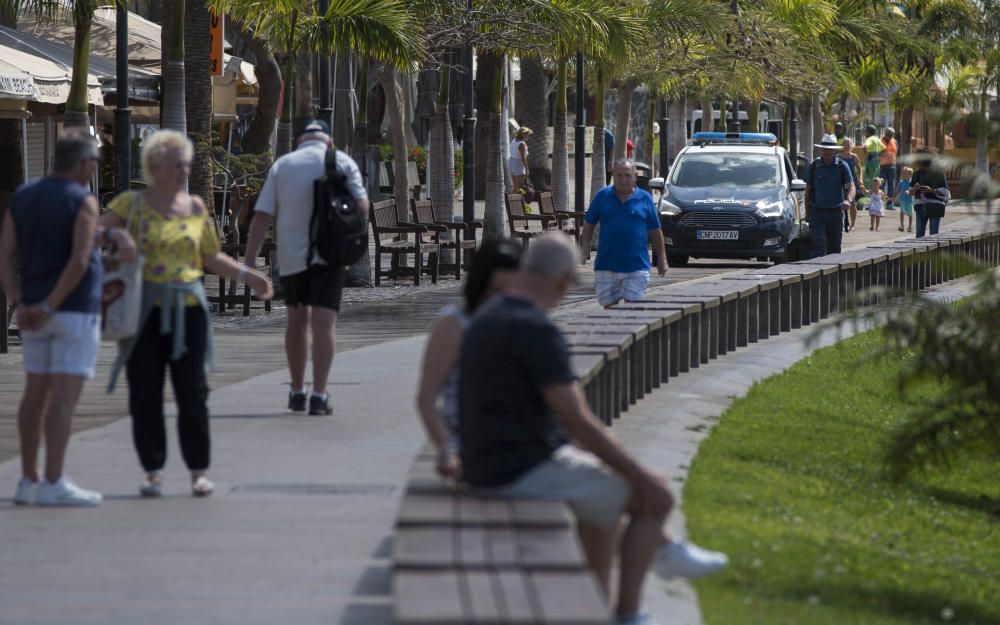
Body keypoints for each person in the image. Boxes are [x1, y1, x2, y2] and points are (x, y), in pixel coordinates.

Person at [458, 232, 727, 625]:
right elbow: (576, 418)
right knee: (655, 496)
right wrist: (638, 474)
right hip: (517, 469)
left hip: (490, 459)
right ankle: (631, 611)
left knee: (608, 497)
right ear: (564, 281)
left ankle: (644, 570)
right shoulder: (535, 328)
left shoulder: (489, 317)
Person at [101, 130, 273, 498]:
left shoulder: (195, 207)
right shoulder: (130, 204)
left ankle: (198, 470)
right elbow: (94, 232)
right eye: (177, 165)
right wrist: (119, 238)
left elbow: (210, 258)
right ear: (156, 166)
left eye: (187, 165)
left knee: (192, 391)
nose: (184, 172)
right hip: (143, 311)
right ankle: (153, 470)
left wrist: (248, 276)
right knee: (145, 393)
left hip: (189, 310)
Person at [0, 131, 133, 506]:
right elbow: (78, 260)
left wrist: (23, 303)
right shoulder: (83, 201)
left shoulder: (23, 195)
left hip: (33, 311)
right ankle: (54, 481)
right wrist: (50, 305)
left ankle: (28, 479)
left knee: (34, 394)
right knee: (63, 398)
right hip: (73, 312)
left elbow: (4, 256)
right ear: (86, 163)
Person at [244, 120, 369, 415]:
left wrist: (250, 260)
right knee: (324, 324)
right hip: (330, 254)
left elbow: (262, 215)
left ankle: (297, 391)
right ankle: (319, 395)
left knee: (296, 322)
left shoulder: (283, 165)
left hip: (292, 257)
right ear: (328, 139)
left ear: (301, 139)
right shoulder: (342, 161)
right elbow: (363, 207)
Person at [415, 239, 522, 480]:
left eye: (510, 292)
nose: (500, 301)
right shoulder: (454, 325)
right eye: (495, 291)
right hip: (473, 446)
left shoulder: (521, 320)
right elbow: (426, 400)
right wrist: (446, 449)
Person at [580, 159, 668, 307]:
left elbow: (655, 229)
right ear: (613, 175)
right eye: (619, 175)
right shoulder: (602, 196)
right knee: (610, 311)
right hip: (606, 264)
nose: (623, 179)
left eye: (627, 175)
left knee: (631, 310)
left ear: (635, 176)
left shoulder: (645, 198)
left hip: (637, 265)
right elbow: (589, 224)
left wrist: (662, 259)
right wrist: (584, 250)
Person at [805, 134, 856, 258]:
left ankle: (832, 277)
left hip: (835, 214)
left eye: (830, 150)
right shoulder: (814, 166)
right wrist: (807, 213)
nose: (827, 153)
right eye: (825, 150)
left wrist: (848, 201)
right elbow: (807, 191)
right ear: (821, 150)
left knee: (834, 250)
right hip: (817, 213)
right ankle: (814, 274)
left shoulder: (841, 166)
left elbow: (852, 187)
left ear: (834, 151)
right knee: (819, 246)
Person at [911, 150, 950, 238]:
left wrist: (932, 190)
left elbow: (946, 193)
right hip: (920, 205)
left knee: (933, 235)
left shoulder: (938, 173)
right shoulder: (917, 173)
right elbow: (911, 191)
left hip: (935, 206)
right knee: (920, 235)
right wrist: (915, 188)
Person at [838, 138, 866, 232]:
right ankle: (842, 223)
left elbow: (859, 169)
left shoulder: (854, 156)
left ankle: (853, 224)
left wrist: (860, 179)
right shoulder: (838, 157)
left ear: (852, 146)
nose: (847, 146)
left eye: (849, 144)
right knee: (841, 202)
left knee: (852, 203)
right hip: (841, 182)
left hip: (852, 182)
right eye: (845, 144)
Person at [508, 127, 532, 193]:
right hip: (518, 164)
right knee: (520, 187)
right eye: (528, 135)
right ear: (524, 135)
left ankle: (509, 202)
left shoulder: (514, 141)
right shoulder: (522, 144)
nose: (529, 137)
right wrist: (527, 169)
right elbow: (523, 158)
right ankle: (519, 202)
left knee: (515, 187)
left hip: (511, 162)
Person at [880, 127, 898, 210]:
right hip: (882, 166)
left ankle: (889, 204)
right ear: (885, 133)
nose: (889, 136)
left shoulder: (895, 142)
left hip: (892, 166)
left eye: (891, 135)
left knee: (891, 186)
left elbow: (896, 153)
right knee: (881, 185)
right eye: (888, 134)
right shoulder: (880, 141)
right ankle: (882, 202)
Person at [862, 125, 885, 191]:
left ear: (869, 132)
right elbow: (884, 148)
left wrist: (866, 156)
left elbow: (865, 147)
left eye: (866, 131)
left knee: (868, 182)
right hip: (877, 165)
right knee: (876, 182)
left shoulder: (869, 139)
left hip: (870, 165)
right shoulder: (877, 139)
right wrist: (879, 155)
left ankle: (869, 198)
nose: (865, 133)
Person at [894, 166, 915, 232]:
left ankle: (910, 226)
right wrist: (893, 197)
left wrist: (910, 191)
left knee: (910, 214)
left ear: (910, 175)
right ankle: (902, 226)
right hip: (902, 200)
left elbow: (914, 190)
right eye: (902, 173)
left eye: (904, 173)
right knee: (902, 212)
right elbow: (897, 190)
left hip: (909, 201)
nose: (902, 175)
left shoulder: (912, 182)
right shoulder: (901, 182)